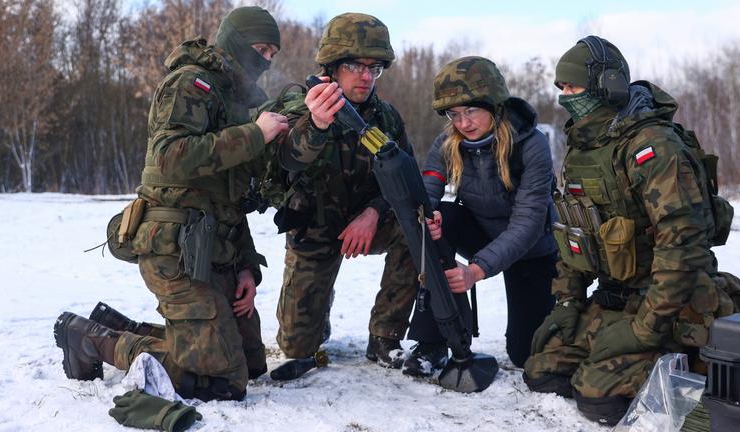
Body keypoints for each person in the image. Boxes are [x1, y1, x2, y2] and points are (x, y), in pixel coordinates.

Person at [53, 6, 288, 401]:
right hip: (174, 249)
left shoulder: (233, 103)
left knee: (250, 363)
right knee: (224, 380)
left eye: (272, 55)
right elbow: (171, 156)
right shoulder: (191, 83)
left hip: (211, 250)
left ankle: (115, 326)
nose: (265, 61)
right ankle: (86, 337)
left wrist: (246, 266)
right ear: (235, 42)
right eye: (261, 50)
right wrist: (254, 135)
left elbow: (228, 199)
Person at [523, 35, 740, 425]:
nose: (564, 96)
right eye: (561, 88)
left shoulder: (653, 146)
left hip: (673, 300)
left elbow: (683, 249)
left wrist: (644, 331)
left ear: (606, 85)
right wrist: (568, 303)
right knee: (543, 371)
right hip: (616, 296)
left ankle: (699, 366)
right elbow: (575, 234)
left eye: (572, 86)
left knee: (598, 398)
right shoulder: (581, 149)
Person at [274, 12, 418, 369]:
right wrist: (317, 123)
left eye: (375, 67)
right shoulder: (300, 103)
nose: (367, 76)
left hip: (369, 225)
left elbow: (406, 178)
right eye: (356, 65)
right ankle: (318, 304)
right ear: (334, 66)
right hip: (315, 230)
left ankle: (385, 335)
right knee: (296, 346)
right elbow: (288, 159)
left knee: (416, 228)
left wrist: (373, 213)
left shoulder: (386, 118)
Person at [402, 56, 558, 377]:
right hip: (479, 231)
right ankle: (434, 340)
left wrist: (476, 270)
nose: (463, 123)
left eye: (472, 110)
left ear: (495, 105)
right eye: (454, 114)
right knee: (438, 220)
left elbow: (528, 223)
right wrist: (426, 217)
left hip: (533, 250)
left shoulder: (532, 145)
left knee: (524, 353)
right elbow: (426, 191)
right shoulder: (447, 144)